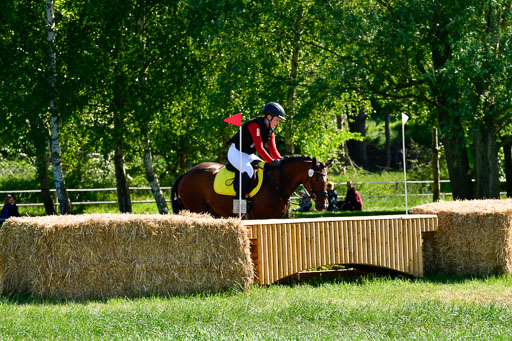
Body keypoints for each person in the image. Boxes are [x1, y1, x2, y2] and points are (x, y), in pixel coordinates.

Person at [227, 102, 285, 198]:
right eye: (277, 120)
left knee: (265, 169)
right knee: (249, 170)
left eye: (279, 121)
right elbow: (259, 148)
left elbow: (273, 151)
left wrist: (282, 161)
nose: (277, 123)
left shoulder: (270, 132)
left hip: (248, 154)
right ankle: (239, 201)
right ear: (269, 117)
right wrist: (272, 161)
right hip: (236, 152)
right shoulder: (255, 125)